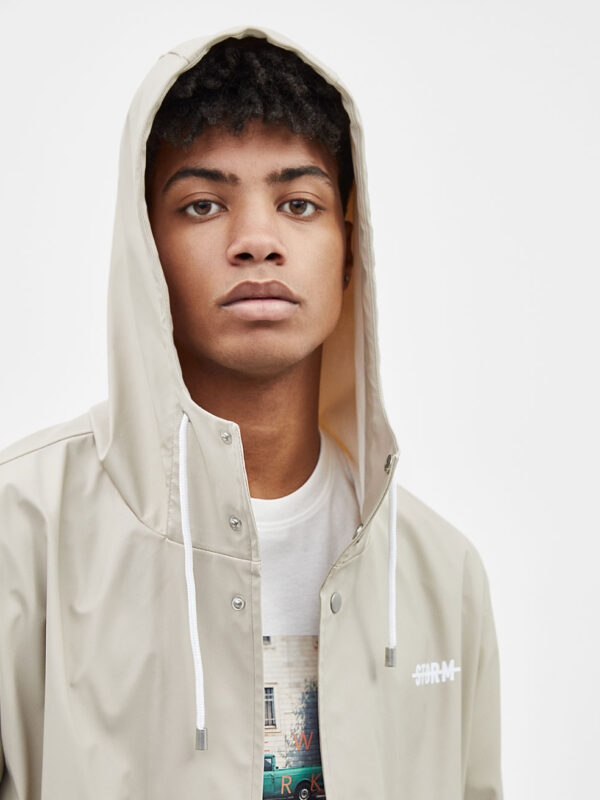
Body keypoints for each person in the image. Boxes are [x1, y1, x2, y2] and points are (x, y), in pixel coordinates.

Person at [0, 27, 503, 799]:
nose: (257, 241)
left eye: (299, 203)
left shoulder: (442, 574)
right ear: (145, 248)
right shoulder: (22, 533)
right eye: (203, 205)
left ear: (349, 249)